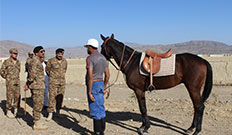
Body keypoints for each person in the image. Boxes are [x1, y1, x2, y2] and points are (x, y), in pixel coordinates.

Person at [84, 38, 110, 135]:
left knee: (95, 109)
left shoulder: (90, 58)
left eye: (87, 47)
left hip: (93, 84)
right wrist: (105, 86)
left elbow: (90, 76)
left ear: (90, 47)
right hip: (101, 83)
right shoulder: (103, 58)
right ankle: (102, 131)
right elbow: (107, 74)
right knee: (101, 107)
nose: (87, 49)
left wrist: (90, 91)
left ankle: (97, 132)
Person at [24, 46, 48, 130]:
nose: (43, 53)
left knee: (39, 103)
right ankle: (36, 123)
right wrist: (28, 83)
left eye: (44, 51)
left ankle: (37, 120)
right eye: (41, 51)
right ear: (36, 53)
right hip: (36, 86)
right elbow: (32, 75)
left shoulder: (38, 61)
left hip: (39, 85)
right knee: (38, 104)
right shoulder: (35, 61)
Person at [46, 48, 67, 121]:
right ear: (56, 53)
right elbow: (47, 70)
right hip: (53, 83)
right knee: (52, 98)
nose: (60, 55)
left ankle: (58, 112)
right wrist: (53, 77)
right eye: (59, 53)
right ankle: (50, 113)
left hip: (62, 82)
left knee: (60, 98)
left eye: (61, 54)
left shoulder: (64, 61)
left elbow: (65, 70)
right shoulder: (51, 61)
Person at [0, 48, 21, 118]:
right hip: (10, 82)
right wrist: (7, 77)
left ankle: (16, 110)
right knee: (10, 96)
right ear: (11, 54)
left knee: (17, 96)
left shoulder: (18, 62)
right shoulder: (7, 62)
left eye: (16, 53)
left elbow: (19, 71)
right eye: (14, 53)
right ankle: (8, 110)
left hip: (17, 81)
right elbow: (2, 71)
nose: (15, 55)